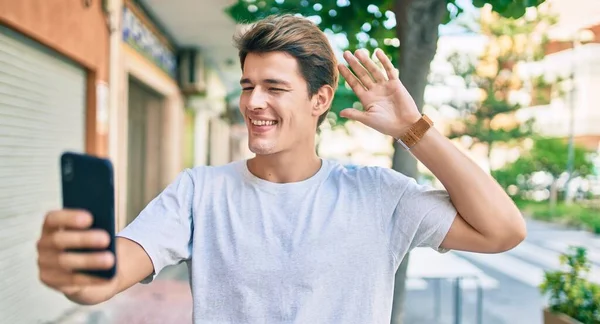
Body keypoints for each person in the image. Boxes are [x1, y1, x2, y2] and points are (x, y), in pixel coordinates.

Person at [36, 14, 526, 323]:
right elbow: (105, 277)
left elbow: (503, 231)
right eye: (248, 86)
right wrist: (77, 272)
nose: (254, 102)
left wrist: (413, 129)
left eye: (274, 87)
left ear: (320, 99)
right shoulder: (200, 191)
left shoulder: (380, 195)